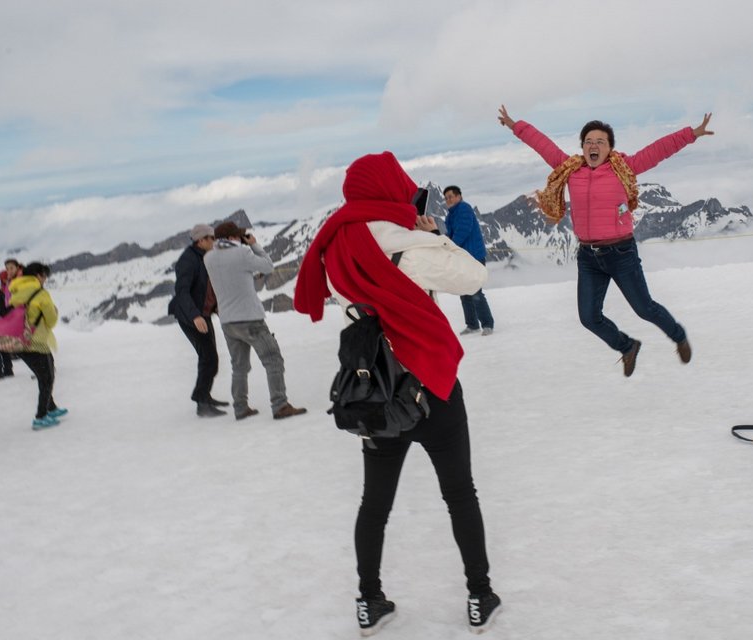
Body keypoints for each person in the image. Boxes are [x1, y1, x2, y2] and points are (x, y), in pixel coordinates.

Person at [294, 151, 502, 635]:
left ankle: (369, 600)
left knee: (375, 503)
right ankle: (479, 593)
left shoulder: (334, 244)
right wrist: (433, 235)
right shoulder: (404, 242)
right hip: (429, 383)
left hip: (376, 390)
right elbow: (476, 275)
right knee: (459, 493)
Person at [497, 105, 714, 376]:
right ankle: (627, 346)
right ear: (582, 147)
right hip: (588, 257)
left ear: (610, 147)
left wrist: (691, 133)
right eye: (588, 141)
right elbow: (543, 145)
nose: (593, 145)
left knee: (644, 309)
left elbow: (658, 150)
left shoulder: (625, 169)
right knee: (589, 318)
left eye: (600, 141)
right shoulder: (570, 170)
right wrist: (516, 125)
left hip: (621, 252)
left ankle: (678, 335)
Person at [204, 221, 306, 421]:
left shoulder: (209, 258)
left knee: (239, 366)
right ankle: (280, 405)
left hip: (227, 321)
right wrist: (254, 244)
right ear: (233, 237)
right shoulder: (242, 253)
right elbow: (267, 266)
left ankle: (240, 408)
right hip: (250, 318)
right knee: (273, 359)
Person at [167, 224, 229, 418]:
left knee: (210, 357)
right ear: (200, 240)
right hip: (190, 316)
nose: (214, 240)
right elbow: (182, 292)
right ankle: (201, 402)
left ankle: (205, 396)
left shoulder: (203, 256)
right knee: (209, 357)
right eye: (210, 238)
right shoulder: (188, 260)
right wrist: (195, 317)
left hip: (202, 313)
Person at [8, 262, 68, 430]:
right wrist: (54, 311)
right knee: (46, 377)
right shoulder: (41, 294)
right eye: (44, 276)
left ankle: (51, 407)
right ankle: (41, 416)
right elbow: (52, 320)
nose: (45, 280)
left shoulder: (17, 290)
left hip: (20, 342)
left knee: (46, 373)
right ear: (38, 276)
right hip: (36, 342)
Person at [443, 185, 496, 336]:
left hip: (474, 257)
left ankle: (487, 324)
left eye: (451, 196)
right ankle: (472, 324)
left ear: (459, 196)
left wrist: (449, 245)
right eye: (446, 198)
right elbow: (452, 233)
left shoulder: (464, 209)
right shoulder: (451, 215)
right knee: (464, 291)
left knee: (475, 291)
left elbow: (463, 231)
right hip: (463, 258)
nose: (448, 200)